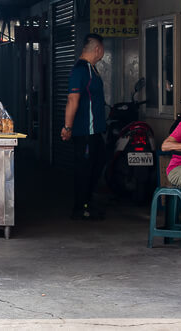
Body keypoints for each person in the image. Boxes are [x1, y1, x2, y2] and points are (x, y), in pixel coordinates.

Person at [61, 33, 107, 221]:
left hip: (95, 131)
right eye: (102, 48)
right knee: (84, 169)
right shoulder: (81, 70)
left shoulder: (92, 69)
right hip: (85, 131)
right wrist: (67, 127)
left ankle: (87, 202)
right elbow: (73, 99)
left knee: (98, 163)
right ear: (97, 49)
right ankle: (81, 208)